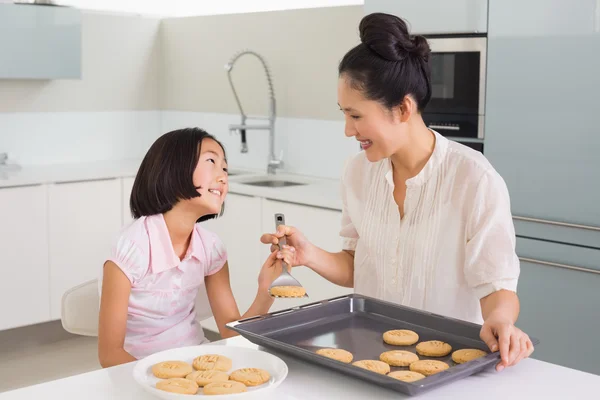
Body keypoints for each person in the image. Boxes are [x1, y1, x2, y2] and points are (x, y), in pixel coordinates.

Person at [261, 13, 533, 371]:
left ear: (403, 108)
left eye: (356, 116)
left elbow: (496, 284)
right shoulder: (357, 173)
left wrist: (500, 319)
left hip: (448, 365)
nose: (347, 130)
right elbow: (359, 266)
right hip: (370, 357)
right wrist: (309, 255)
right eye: (344, 114)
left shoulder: (474, 179)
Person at [98, 128, 292, 368]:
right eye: (211, 161)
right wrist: (169, 384)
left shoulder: (211, 249)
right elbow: (109, 355)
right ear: (173, 167)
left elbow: (232, 336)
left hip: (197, 362)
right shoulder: (130, 248)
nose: (223, 177)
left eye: (225, 169)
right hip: (140, 372)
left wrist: (267, 291)